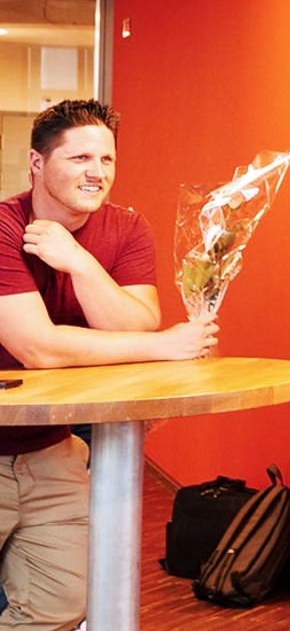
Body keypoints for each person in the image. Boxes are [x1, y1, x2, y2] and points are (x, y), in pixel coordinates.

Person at [0, 99, 218, 631]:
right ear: (36, 163)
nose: (96, 172)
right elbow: (39, 348)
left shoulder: (126, 227)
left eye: (107, 159)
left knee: (60, 606)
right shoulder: (4, 227)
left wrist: (80, 263)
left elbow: (136, 323)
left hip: (50, 446)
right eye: (79, 158)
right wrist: (163, 346)